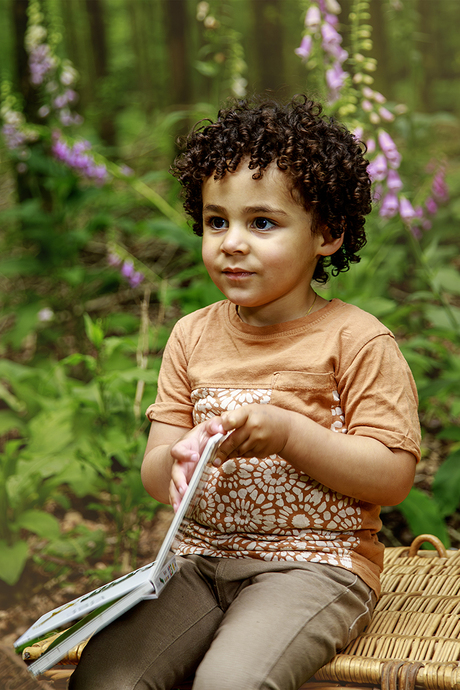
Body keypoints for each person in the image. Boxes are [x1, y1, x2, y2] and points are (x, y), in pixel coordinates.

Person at [70, 95, 420, 690]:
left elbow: (392, 475)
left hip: (317, 565)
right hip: (195, 564)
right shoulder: (192, 336)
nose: (231, 242)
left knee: (231, 681)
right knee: (109, 679)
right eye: (215, 221)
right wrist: (175, 461)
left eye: (262, 223)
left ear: (328, 234)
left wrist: (289, 434)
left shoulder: (356, 340)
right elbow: (156, 475)